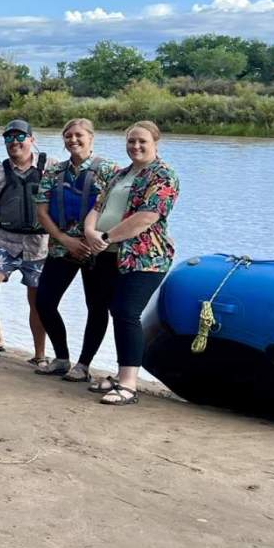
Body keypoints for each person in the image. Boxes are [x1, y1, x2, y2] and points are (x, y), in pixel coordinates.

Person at [81, 121, 179, 406]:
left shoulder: (164, 175)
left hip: (145, 256)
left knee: (126, 312)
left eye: (142, 142)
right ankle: (122, 372)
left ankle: (128, 385)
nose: (135, 146)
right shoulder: (120, 174)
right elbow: (97, 208)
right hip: (107, 255)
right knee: (114, 312)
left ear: (155, 144)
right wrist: (90, 233)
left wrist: (107, 236)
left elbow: (147, 216)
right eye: (131, 141)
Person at [31, 118, 119, 382]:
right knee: (44, 301)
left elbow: (117, 210)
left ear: (91, 137)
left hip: (97, 250)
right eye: (68, 136)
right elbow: (42, 210)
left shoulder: (109, 170)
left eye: (79, 135)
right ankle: (61, 358)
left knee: (96, 307)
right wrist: (62, 238)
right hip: (61, 247)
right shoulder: (55, 171)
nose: (73, 140)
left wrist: (95, 241)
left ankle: (84, 364)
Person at [0, 119, 49, 362]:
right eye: (9, 138)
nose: (14, 142)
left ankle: (40, 355)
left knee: (38, 301)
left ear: (32, 139)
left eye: (20, 137)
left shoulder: (50, 168)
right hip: (5, 242)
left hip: (40, 247)